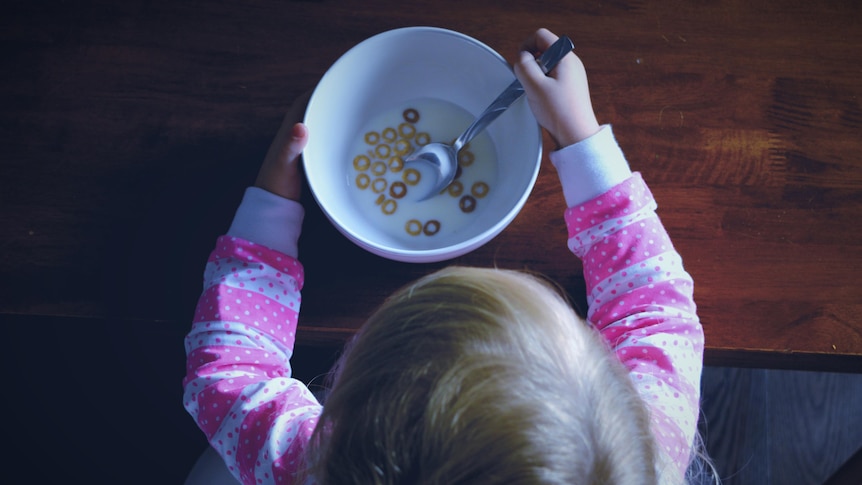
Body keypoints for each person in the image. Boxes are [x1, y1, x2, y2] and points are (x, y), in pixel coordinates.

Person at [183, 28, 711, 485]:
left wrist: (271, 202)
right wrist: (581, 137)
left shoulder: (310, 466)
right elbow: (653, 309)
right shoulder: (642, 450)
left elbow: (230, 372)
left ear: (349, 417)